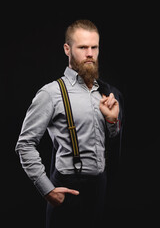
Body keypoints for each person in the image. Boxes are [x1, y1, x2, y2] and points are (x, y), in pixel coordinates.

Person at [15, 19, 124, 228]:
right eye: (83, 47)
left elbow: (111, 139)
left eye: (94, 47)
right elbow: (25, 144)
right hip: (68, 191)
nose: (90, 53)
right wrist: (47, 189)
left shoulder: (105, 92)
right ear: (67, 49)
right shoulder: (51, 93)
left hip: (100, 190)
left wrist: (111, 120)